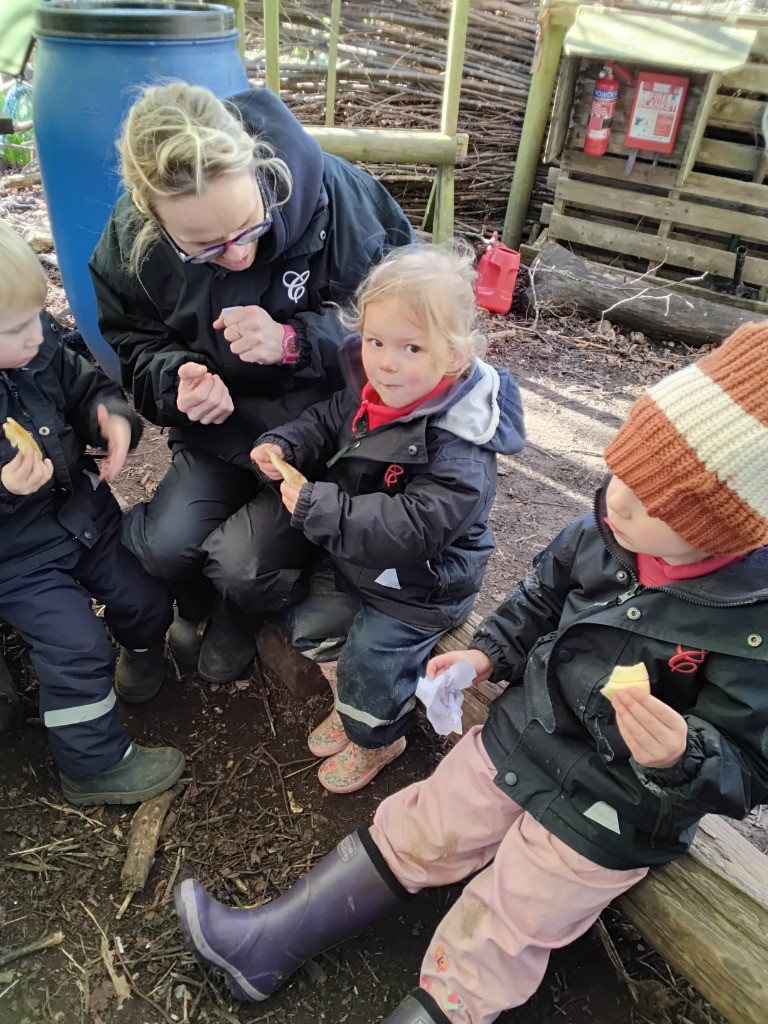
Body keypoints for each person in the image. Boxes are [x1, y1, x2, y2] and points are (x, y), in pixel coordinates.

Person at [174, 324, 768, 1023]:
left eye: (645, 502)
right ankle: (268, 944)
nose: (613, 504)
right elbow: (543, 594)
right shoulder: (611, 525)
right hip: (527, 733)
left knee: (509, 919)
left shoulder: (749, 628)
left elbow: (748, 766)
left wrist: (679, 757)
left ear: (725, 530)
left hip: (616, 806)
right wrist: (490, 653)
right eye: (619, 477)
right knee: (422, 824)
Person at [89, 82, 417, 684]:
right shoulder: (131, 240)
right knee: (163, 545)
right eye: (204, 248)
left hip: (323, 435)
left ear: (259, 169)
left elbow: (411, 319)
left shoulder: (339, 197)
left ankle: (239, 613)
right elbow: (131, 339)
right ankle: (196, 606)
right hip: (220, 430)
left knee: (242, 565)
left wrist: (296, 341)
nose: (237, 255)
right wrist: (175, 379)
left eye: (247, 227)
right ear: (153, 218)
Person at [248, 244, 525, 792]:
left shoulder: (460, 446)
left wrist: (321, 507)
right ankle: (350, 702)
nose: (386, 360)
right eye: (375, 341)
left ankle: (377, 737)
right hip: (357, 555)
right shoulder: (377, 390)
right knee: (311, 621)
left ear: (453, 356)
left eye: (411, 347)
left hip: (420, 585)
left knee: (373, 663)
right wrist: (285, 444)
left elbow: (417, 528)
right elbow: (327, 421)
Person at [0, 223, 184, 806]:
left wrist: (112, 417)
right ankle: (93, 765)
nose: (35, 336)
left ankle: (145, 648)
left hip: (82, 512)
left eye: (37, 319)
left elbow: (81, 388)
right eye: (15, 330)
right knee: (78, 647)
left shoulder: (38, 343)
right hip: (17, 555)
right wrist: (4, 488)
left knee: (144, 594)